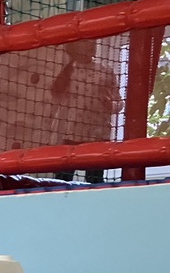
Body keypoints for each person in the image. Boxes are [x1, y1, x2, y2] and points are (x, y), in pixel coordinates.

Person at [48, 39, 122, 184]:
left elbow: (119, 102)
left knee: (95, 180)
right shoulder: (68, 71)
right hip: (72, 133)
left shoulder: (105, 71)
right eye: (86, 42)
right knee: (63, 178)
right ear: (74, 47)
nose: (92, 45)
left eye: (93, 42)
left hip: (98, 133)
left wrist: (110, 105)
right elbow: (56, 94)